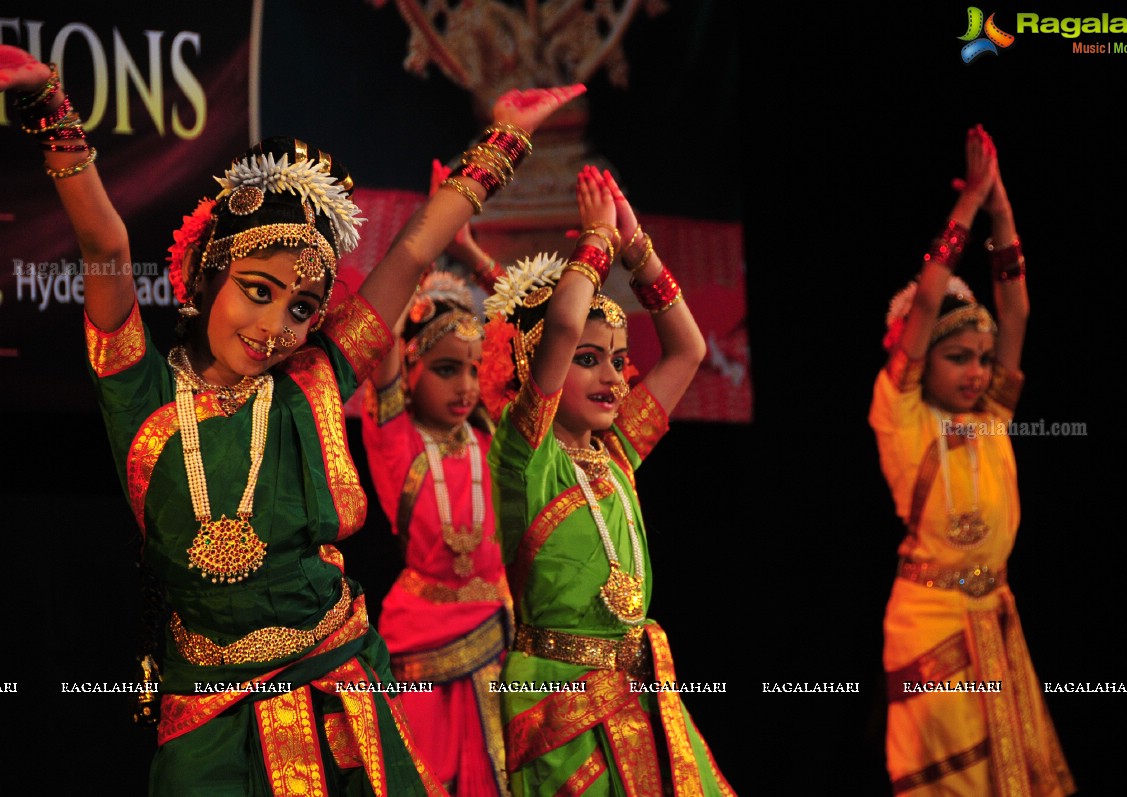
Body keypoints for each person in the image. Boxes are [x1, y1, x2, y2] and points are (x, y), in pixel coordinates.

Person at [1, 43, 581, 795]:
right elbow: (105, 243)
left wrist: (502, 138)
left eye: (303, 306)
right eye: (258, 289)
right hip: (206, 706)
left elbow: (410, 252)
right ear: (208, 277)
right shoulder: (136, 390)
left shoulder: (312, 378)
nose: (276, 324)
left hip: (336, 675)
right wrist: (49, 107)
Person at [481, 165, 735, 794]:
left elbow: (689, 352)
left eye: (619, 362)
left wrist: (638, 248)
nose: (615, 380)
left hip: (640, 697)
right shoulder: (524, 457)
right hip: (559, 701)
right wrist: (594, 242)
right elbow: (562, 328)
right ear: (536, 365)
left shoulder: (619, 451)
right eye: (588, 363)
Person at [868, 124, 1075, 795]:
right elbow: (929, 299)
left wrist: (1004, 214)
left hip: (994, 616)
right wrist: (966, 207)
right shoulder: (901, 412)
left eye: (983, 360)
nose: (976, 371)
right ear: (922, 359)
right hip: (930, 622)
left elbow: (1015, 310)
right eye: (958, 357)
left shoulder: (989, 417)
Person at [359, 244, 511, 794]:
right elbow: (380, 348)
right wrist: (413, 271)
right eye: (447, 369)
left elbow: (524, 340)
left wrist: (475, 256)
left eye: (474, 370)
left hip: (500, 637)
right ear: (412, 367)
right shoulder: (397, 439)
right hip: (421, 640)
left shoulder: (491, 437)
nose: (466, 386)